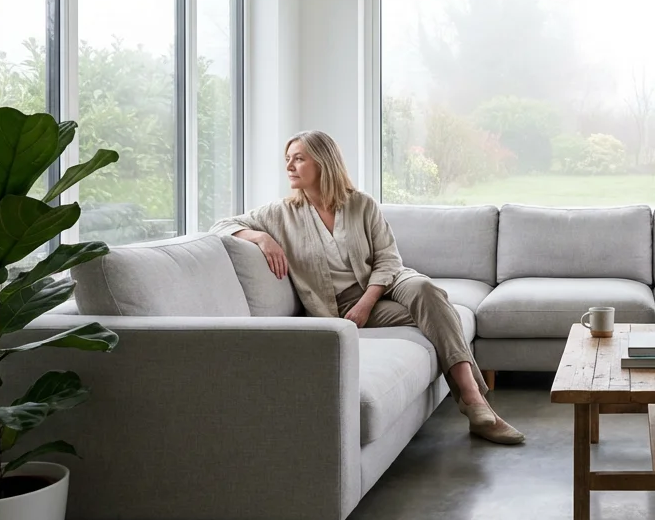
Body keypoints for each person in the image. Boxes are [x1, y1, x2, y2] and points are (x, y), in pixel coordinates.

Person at [210, 130, 524, 444]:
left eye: (299, 158)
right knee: (442, 311)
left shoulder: (361, 204)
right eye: (288, 159)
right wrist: (261, 238)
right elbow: (221, 226)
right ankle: (478, 408)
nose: (289, 166)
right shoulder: (279, 214)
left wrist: (367, 303)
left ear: (323, 162)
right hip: (340, 305)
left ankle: (473, 401)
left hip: (387, 283)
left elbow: (388, 259)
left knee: (426, 291)